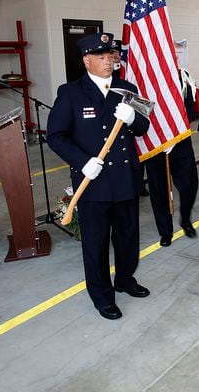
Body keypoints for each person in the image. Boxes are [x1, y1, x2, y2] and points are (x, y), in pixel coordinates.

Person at [46, 33, 151, 320]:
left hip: (126, 178)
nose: (109, 61)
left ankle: (125, 280)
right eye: (102, 56)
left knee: (128, 237)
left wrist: (133, 119)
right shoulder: (71, 93)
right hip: (93, 182)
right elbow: (55, 136)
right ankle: (102, 296)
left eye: (111, 55)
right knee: (96, 242)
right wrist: (82, 162)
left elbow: (143, 126)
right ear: (86, 60)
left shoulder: (126, 88)